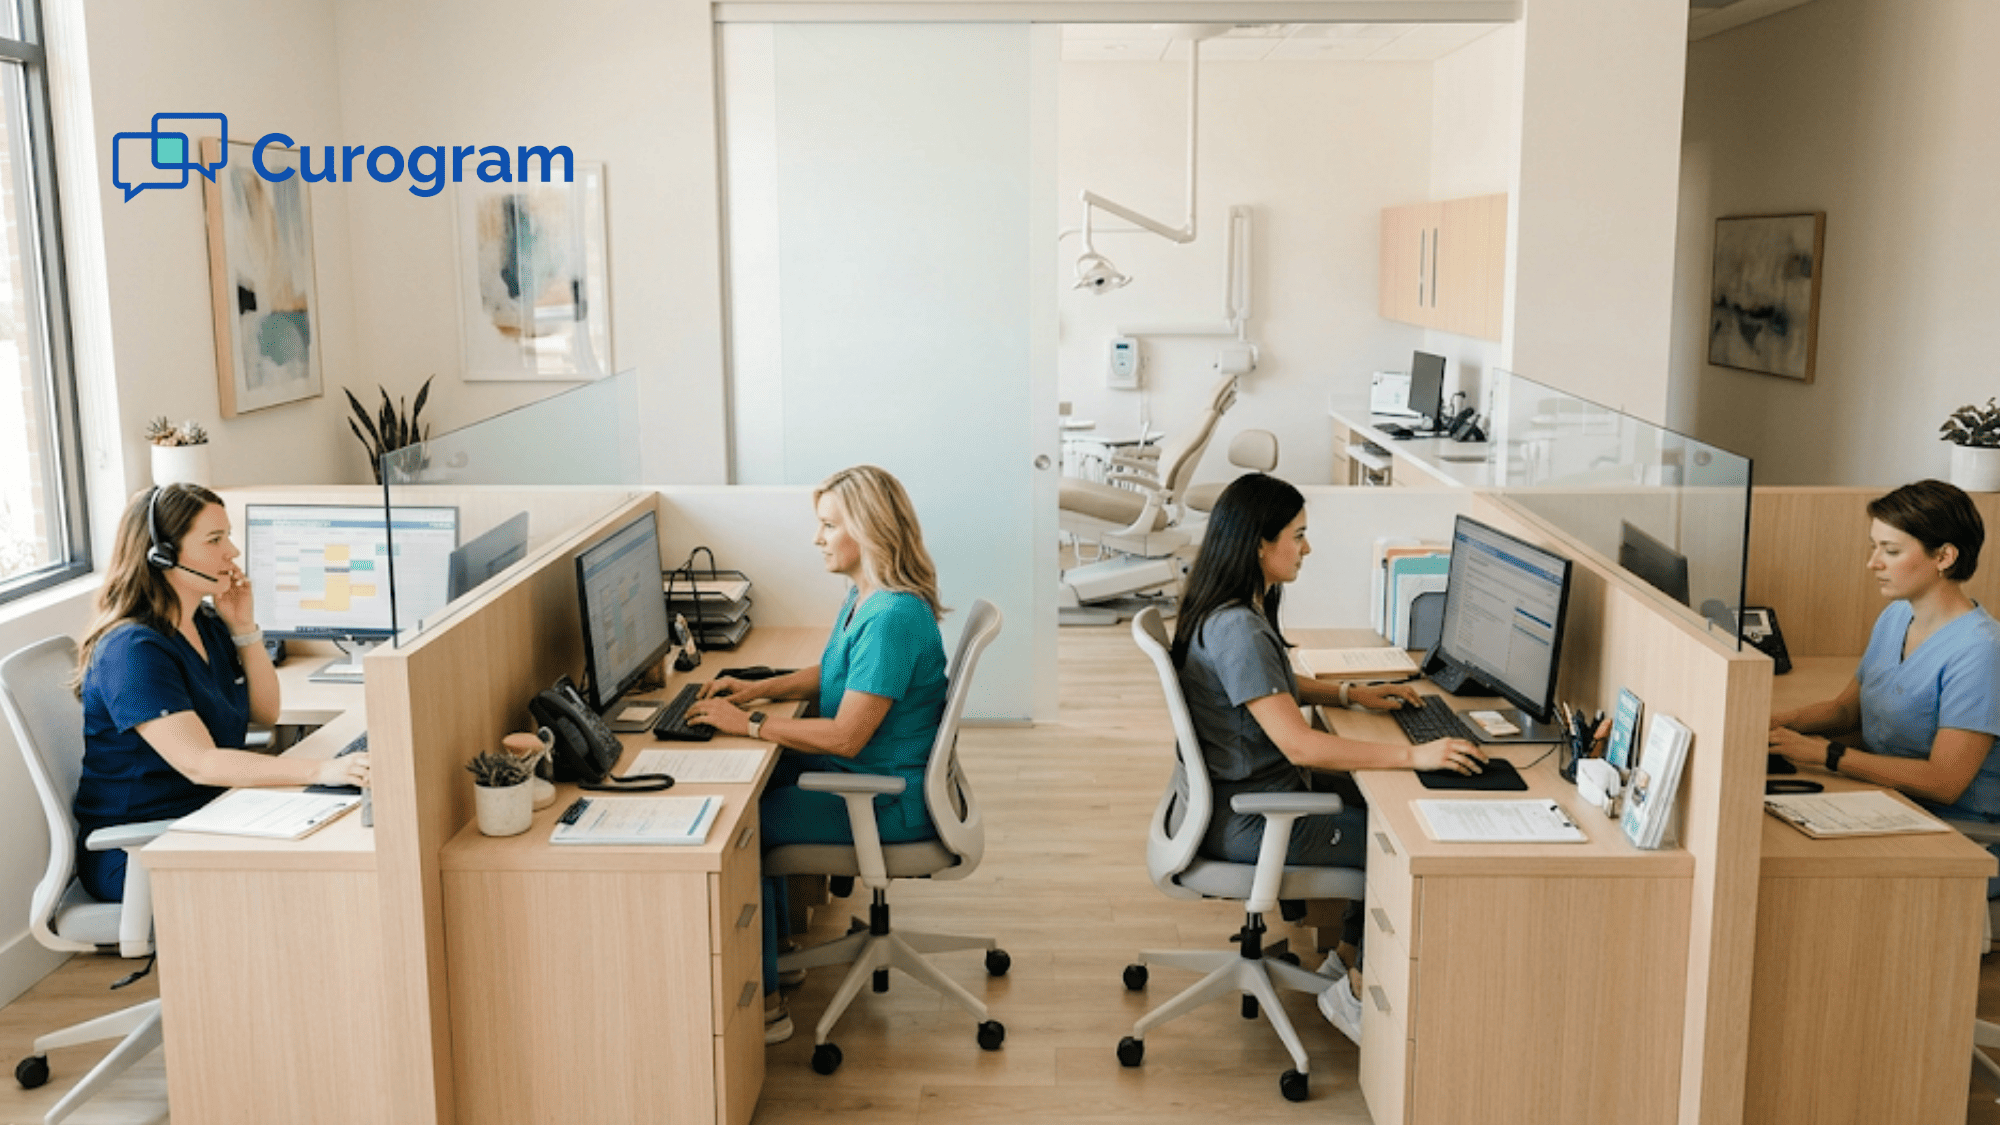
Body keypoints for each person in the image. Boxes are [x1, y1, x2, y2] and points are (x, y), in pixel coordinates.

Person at [1170, 472, 1485, 1045]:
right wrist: (1415, 753)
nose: (1307, 549)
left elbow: (1272, 686)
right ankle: (1360, 993)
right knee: (1394, 837)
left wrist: (1349, 694)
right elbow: (1301, 744)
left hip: (1235, 797)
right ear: (1259, 544)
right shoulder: (1238, 627)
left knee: (1370, 802)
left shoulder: (1223, 606)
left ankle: (1345, 958)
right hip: (1251, 818)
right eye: (1298, 535)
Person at [686, 464, 949, 1046]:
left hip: (885, 799)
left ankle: (769, 999)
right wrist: (757, 688)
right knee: (759, 787)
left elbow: (847, 736)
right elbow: (835, 676)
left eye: (828, 526)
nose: (817, 538)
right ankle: (778, 957)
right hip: (867, 777)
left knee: (739, 826)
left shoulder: (892, 618)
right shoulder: (867, 596)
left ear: (869, 529)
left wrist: (750, 724)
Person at [71, 484, 372, 902]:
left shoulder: (206, 623)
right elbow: (200, 764)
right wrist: (322, 770)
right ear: (162, 555)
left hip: (213, 817)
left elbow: (266, 712)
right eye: (214, 540)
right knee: (328, 878)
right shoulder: (133, 651)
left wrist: (244, 628)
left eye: (227, 535)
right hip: (142, 850)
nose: (232, 552)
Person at [1769, 480, 2000, 846]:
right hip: (1890, 799)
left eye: (1890, 551)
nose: (1873, 563)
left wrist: (1826, 754)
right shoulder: (1896, 616)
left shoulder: (1981, 651)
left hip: (1960, 831)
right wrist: (1783, 723)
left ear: (1944, 557)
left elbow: (1944, 781)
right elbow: (1849, 710)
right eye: (1874, 547)